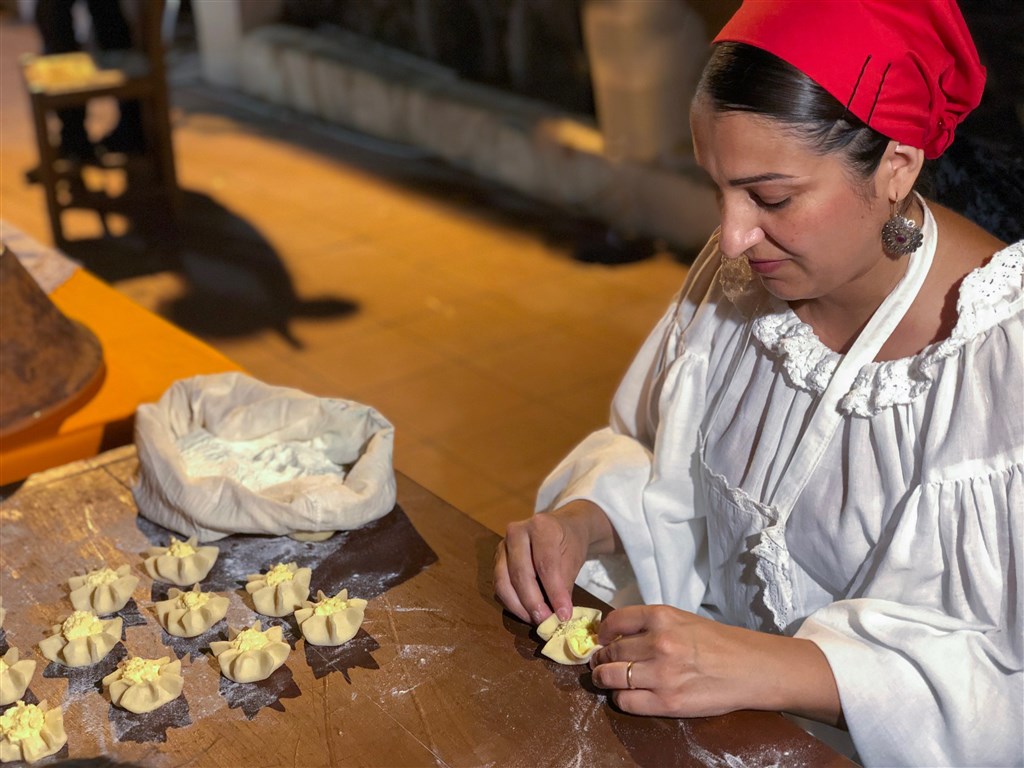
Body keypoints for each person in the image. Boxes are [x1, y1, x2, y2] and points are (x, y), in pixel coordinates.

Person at [493, 1, 1023, 765]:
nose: (734, 236)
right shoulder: (742, 277)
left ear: (897, 168)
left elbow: (1002, 680)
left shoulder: (1001, 365)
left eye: (771, 198)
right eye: (719, 189)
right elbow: (657, 454)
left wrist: (770, 667)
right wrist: (586, 521)